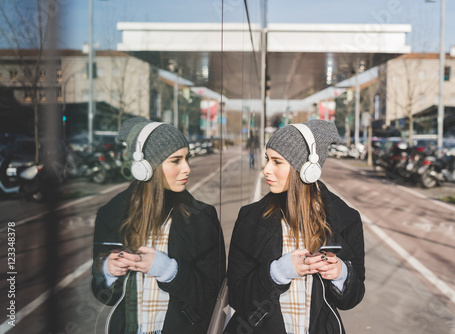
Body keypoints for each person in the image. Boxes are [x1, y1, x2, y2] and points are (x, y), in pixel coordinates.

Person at [224, 119, 365, 334]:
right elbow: (236, 295)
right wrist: (278, 272)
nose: (266, 170)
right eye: (267, 160)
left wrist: (341, 274)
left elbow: (353, 297)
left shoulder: (346, 219)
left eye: (277, 162)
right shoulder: (250, 217)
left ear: (308, 169)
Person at [91, 117, 225, 334]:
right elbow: (103, 295)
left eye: (186, 159)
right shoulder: (110, 214)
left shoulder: (202, 217)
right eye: (176, 160)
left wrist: (170, 271)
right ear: (145, 167)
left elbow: (214, 294)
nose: (187, 168)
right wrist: (106, 271)